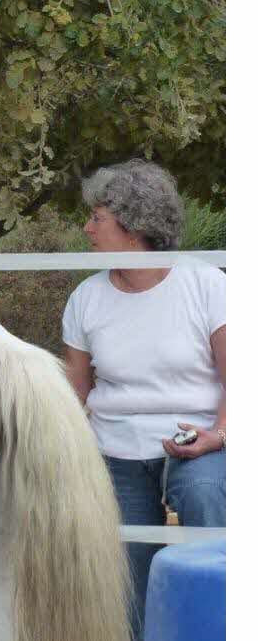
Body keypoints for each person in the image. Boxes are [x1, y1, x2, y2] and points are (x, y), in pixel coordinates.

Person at [61, 159, 225, 640]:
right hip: (115, 448)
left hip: (200, 438)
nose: (87, 228)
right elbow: (74, 395)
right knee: (126, 564)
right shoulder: (85, 298)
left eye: (98, 217)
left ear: (134, 226)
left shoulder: (207, 285)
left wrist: (218, 435)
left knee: (205, 497)